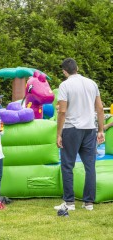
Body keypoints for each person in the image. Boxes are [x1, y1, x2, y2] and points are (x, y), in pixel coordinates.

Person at [54, 58, 104, 211]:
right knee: (90, 166)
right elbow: (100, 108)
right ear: (77, 68)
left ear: (64, 71)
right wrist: (101, 130)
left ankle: (69, 203)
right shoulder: (91, 83)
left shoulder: (65, 85)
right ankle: (88, 203)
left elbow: (62, 111)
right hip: (90, 128)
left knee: (67, 165)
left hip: (71, 128)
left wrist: (59, 134)